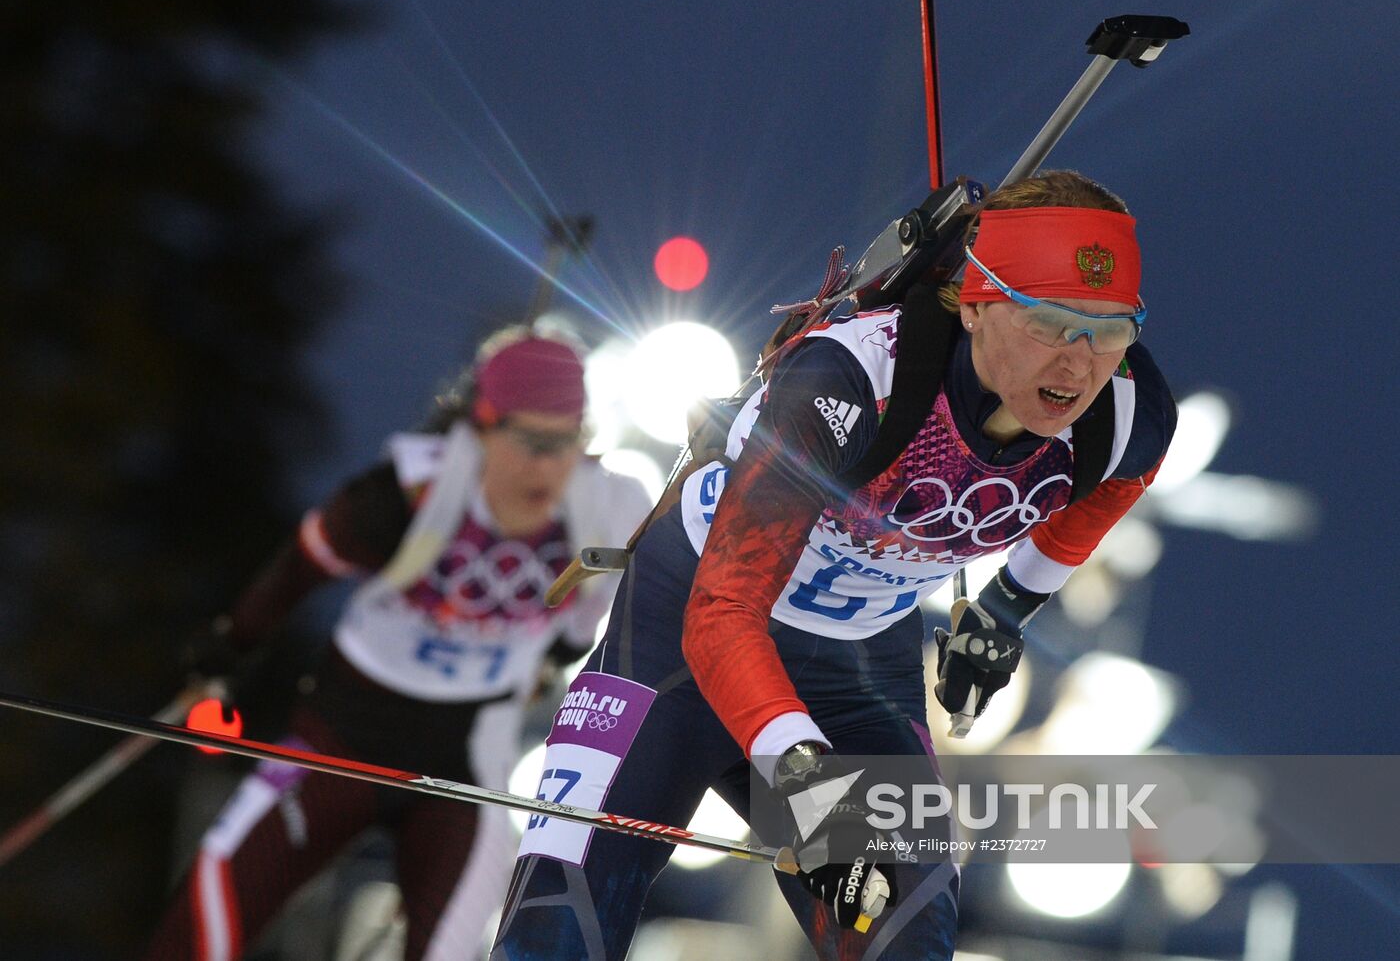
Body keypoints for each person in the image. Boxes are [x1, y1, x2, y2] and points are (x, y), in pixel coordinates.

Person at [489, 170, 1177, 960]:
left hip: (852, 674)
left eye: (1109, 327)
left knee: (904, 936)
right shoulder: (847, 383)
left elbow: (1118, 487)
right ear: (979, 302)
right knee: (557, 931)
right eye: (1051, 323)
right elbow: (720, 616)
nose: (1080, 363)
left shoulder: (1127, 412)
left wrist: (1007, 608)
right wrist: (805, 793)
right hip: (678, 643)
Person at [145, 328, 652, 961]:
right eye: (531, 441)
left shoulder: (607, 503)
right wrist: (233, 643)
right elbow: (300, 565)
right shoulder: (405, 495)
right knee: (209, 905)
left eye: (569, 441)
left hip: (466, 765)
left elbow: (624, 595)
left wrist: (556, 661)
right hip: (340, 736)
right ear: (482, 426)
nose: (549, 466)